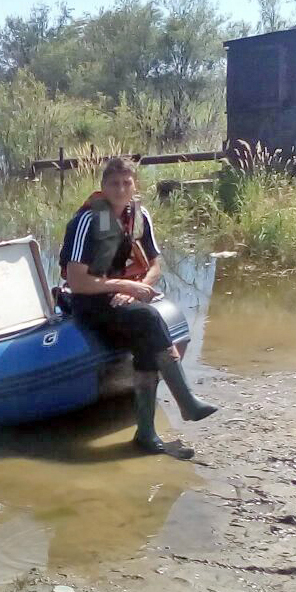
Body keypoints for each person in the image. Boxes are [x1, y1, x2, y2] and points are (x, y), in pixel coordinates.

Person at [58, 157, 217, 455]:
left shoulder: (138, 215)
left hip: (122, 295)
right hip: (89, 301)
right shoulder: (88, 220)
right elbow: (78, 282)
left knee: (145, 337)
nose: (120, 189)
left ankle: (145, 434)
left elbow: (155, 266)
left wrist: (136, 289)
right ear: (103, 187)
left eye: (126, 183)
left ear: (135, 185)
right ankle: (186, 402)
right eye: (114, 183)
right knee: (148, 319)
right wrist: (126, 286)